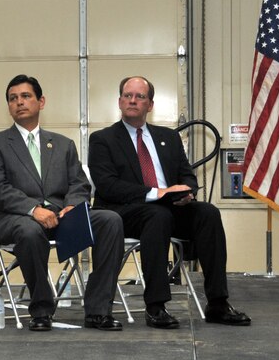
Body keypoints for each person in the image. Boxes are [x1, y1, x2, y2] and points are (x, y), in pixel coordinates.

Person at [88, 76, 251, 328]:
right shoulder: (103, 139)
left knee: (207, 213)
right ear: (119, 101)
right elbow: (109, 186)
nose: (133, 100)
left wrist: (187, 192)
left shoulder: (168, 137)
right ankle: (156, 306)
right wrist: (158, 193)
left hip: (170, 209)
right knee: (157, 215)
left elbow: (186, 173)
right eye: (127, 95)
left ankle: (217, 303)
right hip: (125, 214)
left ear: (150, 105)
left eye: (140, 96)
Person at [0, 75, 124, 332]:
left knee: (110, 220)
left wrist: (73, 206)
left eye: (26, 96)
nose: (19, 102)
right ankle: (42, 309)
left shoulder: (62, 144)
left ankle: (98, 310)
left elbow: (80, 184)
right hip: (17, 217)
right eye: (13, 99)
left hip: (61, 216)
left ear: (41, 101)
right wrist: (34, 210)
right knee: (30, 231)